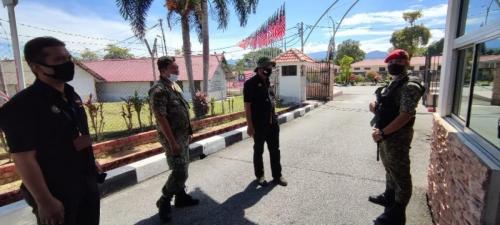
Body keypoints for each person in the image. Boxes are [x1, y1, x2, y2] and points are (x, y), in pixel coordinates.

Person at [0, 37, 103, 225]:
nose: (68, 64)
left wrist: (90, 160)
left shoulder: (72, 96)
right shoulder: (21, 106)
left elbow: (75, 134)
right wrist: (45, 201)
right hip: (56, 190)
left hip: (85, 181)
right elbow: (24, 158)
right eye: (58, 60)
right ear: (36, 67)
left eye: (68, 58)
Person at [368, 49, 424, 225]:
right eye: (391, 62)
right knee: (389, 169)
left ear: (407, 63)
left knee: (401, 175)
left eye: (399, 62)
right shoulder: (394, 83)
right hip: (385, 136)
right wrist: (375, 106)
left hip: (397, 137)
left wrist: (383, 132)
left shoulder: (410, 86)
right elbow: (389, 106)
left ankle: (398, 213)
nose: (394, 65)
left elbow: (405, 115)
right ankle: (389, 196)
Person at [149, 56, 199, 223]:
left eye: (177, 69)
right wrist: (172, 142)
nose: (177, 72)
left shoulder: (173, 86)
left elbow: (182, 110)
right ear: (163, 71)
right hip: (172, 138)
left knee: (184, 166)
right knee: (179, 171)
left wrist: (188, 132)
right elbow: (161, 117)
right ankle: (164, 201)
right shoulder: (159, 90)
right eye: (174, 70)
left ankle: (181, 197)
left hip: (182, 136)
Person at [244, 57, 287, 187]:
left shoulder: (268, 82)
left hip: (272, 123)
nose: (270, 69)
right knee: (259, 151)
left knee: (275, 150)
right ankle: (260, 176)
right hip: (258, 125)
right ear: (261, 68)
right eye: (268, 67)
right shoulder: (250, 84)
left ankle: (277, 176)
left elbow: (271, 100)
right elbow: (247, 105)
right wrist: (250, 125)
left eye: (271, 67)